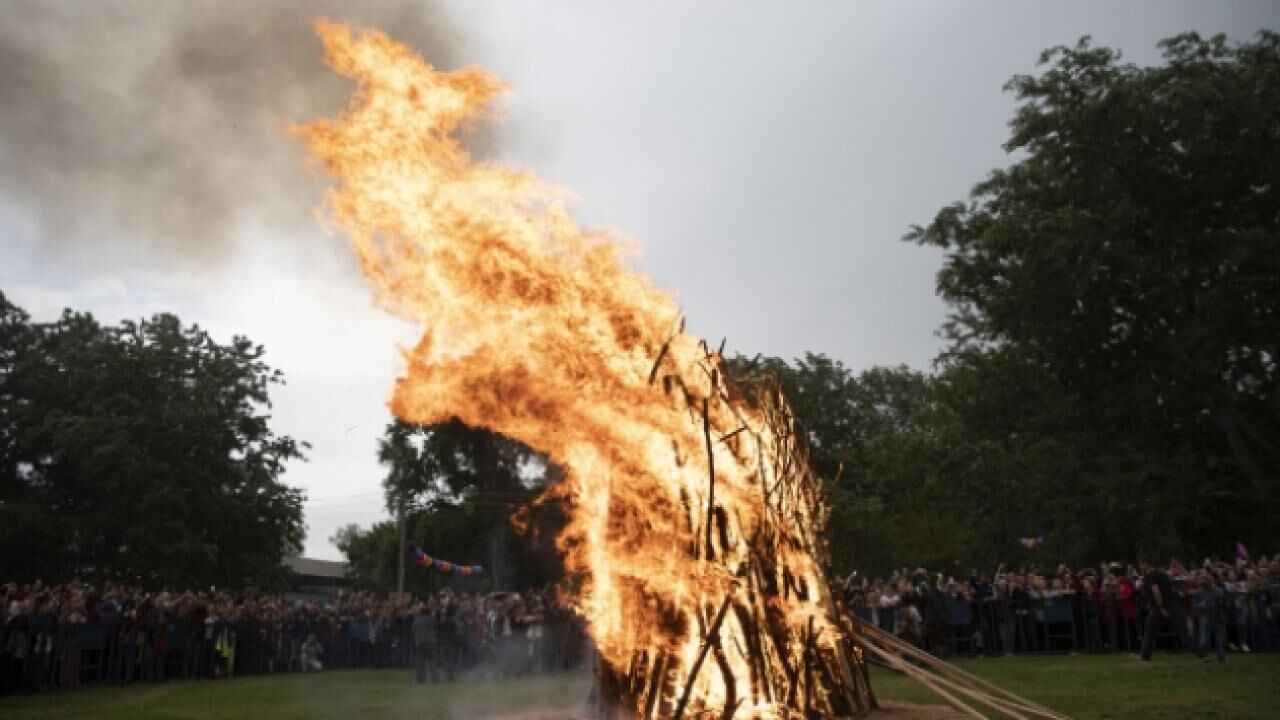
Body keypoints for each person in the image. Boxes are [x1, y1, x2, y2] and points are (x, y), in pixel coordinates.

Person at [1137, 559, 1194, 661]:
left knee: (1149, 629)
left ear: (1146, 564)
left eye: (1141, 565)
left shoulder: (1149, 576)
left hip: (1160, 606)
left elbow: (1156, 590)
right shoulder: (1162, 573)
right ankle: (1201, 654)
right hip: (1173, 603)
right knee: (1183, 630)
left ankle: (1144, 655)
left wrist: (1161, 607)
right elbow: (1171, 587)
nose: (1140, 567)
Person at [1191, 572, 1226, 663]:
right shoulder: (1198, 592)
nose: (1203, 582)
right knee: (1204, 641)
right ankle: (1203, 657)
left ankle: (1221, 659)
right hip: (1205, 618)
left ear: (1210, 581)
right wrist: (1200, 605)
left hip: (1218, 618)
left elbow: (1224, 602)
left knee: (1219, 641)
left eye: (1205, 579)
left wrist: (1220, 604)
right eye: (1201, 580)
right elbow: (1194, 605)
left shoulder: (1218, 591)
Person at [412, 602, 438, 684]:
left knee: (420, 662)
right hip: (430, 642)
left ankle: (420, 679)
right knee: (432, 660)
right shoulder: (431, 619)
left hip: (420, 642)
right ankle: (434, 678)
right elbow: (436, 626)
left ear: (421, 612)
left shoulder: (417, 620)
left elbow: (413, 629)